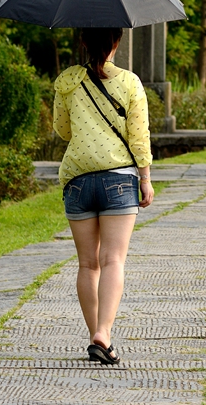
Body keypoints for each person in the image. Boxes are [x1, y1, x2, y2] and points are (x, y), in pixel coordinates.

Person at [52, 28, 154, 365]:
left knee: (87, 263)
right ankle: (104, 334)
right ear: (116, 42)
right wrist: (146, 178)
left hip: (78, 179)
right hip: (119, 178)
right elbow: (139, 136)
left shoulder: (67, 81)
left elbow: (62, 130)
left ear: (83, 42)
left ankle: (96, 334)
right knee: (113, 260)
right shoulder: (129, 83)